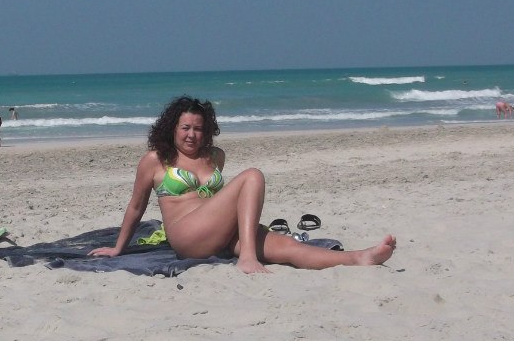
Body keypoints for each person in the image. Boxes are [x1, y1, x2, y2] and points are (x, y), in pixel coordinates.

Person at [89, 96, 396, 274]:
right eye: (185, 128)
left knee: (289, 247)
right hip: (187, 236)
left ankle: (358, 257)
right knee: (252, 176)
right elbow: (136, 207)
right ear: (172, 129)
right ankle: (247, 257)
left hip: (221, 232)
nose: (192, 135)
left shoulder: (215, 156)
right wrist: (119, 248)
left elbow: (221, 204)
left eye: (198, 129)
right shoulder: (156, 160)